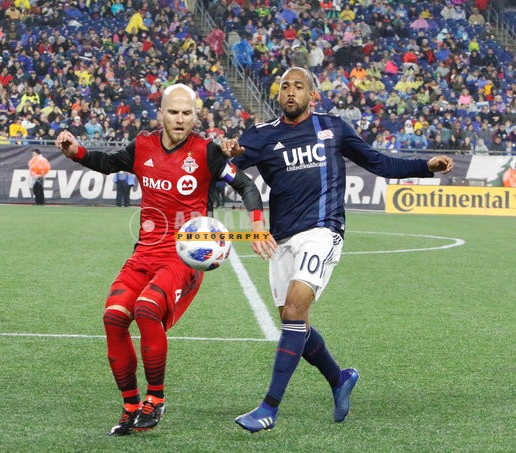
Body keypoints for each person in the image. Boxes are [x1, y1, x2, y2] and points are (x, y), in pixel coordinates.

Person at [221, 67, 454, 433]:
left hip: (323, 230)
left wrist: (425, 166)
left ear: (313, 95)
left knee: (294, 309)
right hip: (282, 239)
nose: (291, 92)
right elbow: (226, 170)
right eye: (285, 87)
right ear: (278, 95)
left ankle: (269, 408)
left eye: (299, 86)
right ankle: (339, 378)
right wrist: (229, 152)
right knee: (295, 324)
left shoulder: (334, 128)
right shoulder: (261, 135)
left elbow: (379, 162)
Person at [55, 84, 272, 436]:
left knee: (146, 309)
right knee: (113, 316)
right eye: (173, 112)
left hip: (184, 255)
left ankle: (155, 399)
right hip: (144, 252)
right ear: (161, 114)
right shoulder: (142, 146)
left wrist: (257, 225)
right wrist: (75, 151)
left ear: (196, 116)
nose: (180, 119)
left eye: (187, 113)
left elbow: (246, 185)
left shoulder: (206, 152)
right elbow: (107, 163)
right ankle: (130, 405)